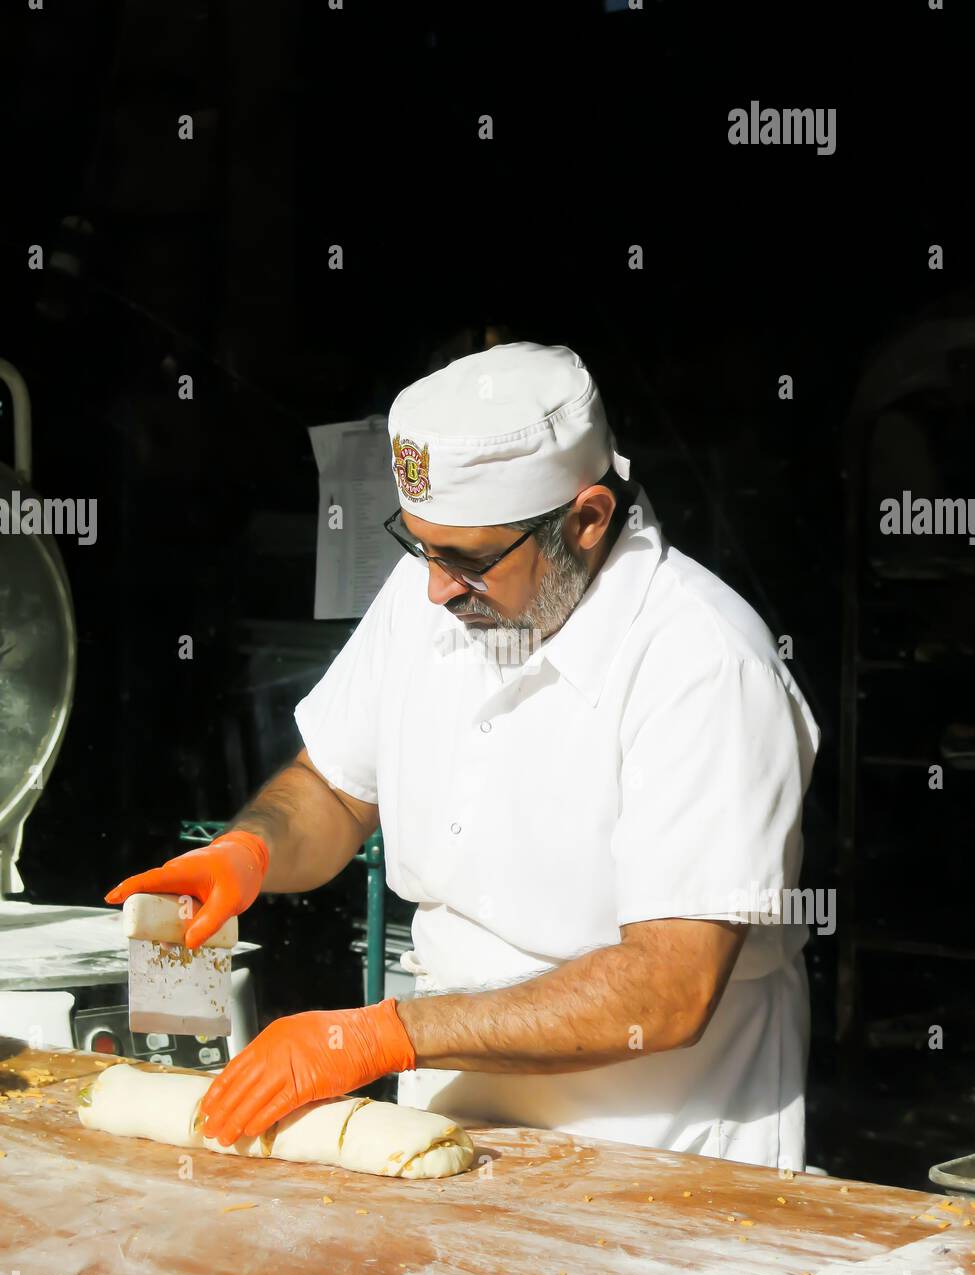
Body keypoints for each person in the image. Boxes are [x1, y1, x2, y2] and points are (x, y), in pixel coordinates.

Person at [106, 342, 820, 1170]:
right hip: (450, 1124)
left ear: (586, 521)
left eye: (466, 559)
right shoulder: (441, 594)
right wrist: (251, 848)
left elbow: (669, 987)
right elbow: (333, 791)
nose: (435, 589)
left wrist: (377, 1034)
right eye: (418, 547)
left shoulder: (704, 663)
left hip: (662, 1152)